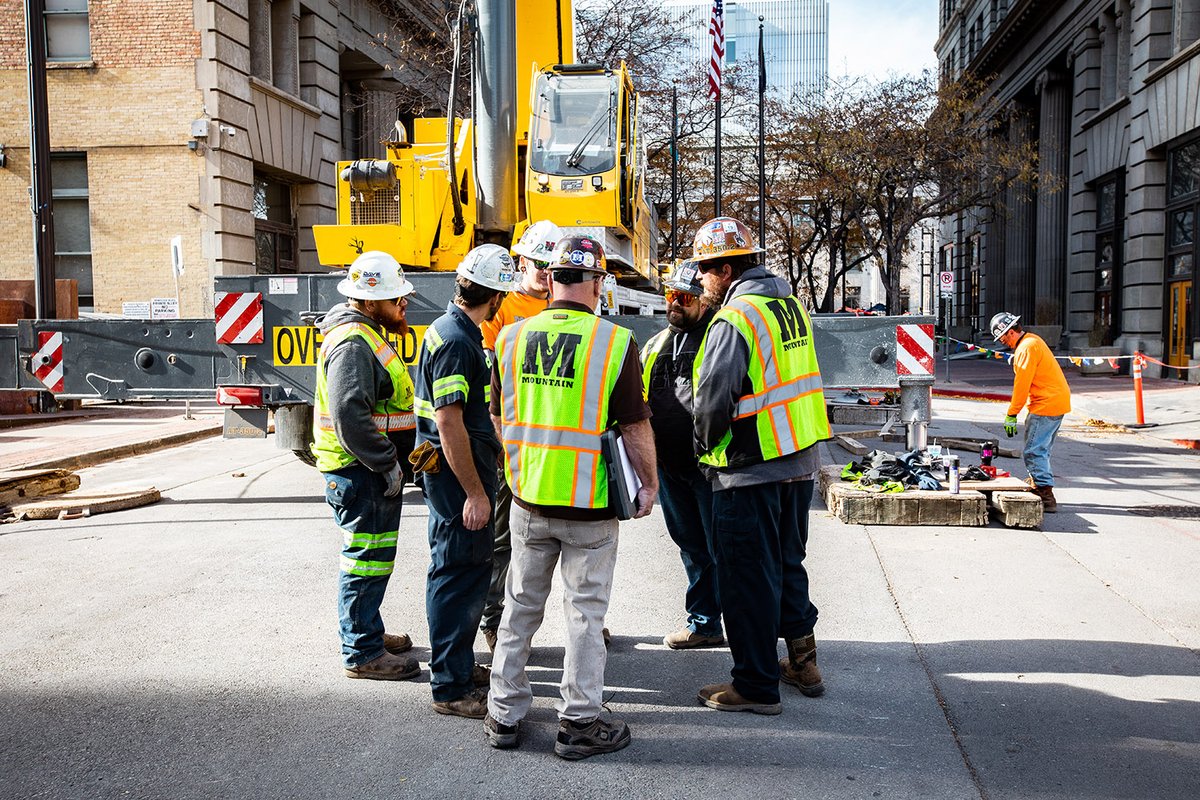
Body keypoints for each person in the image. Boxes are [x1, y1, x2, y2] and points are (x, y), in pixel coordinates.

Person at [484, 235, 658, 760]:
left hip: (529, 497)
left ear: (551, 278)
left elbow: (497, 417)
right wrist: (649, 484)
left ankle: (504, 714)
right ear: (598, 282)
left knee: (518, 607)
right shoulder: (613, 341)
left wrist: (521, 465)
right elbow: (634, 425)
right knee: (585, 613)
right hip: (591, 503)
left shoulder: (510, 338)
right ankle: (579, 721)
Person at [690, 216, 831, 715]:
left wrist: (703, 449)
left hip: (748, 465)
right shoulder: (789, 305)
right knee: (787, 564)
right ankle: (802, 660)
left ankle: (754, 685)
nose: (701, 281)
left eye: (705, 270)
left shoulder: (735, 319)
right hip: (796, 458)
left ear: (726, 270)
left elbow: (712, 399)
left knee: (747, 579)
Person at [414, 244, 518, 718]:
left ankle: (452, 665)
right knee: (458, 575)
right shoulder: (457, 340)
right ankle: (451, 688)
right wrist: (476, 493)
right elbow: (450, 421)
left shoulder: (451, 330)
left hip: (450, 473)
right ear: (495, 296)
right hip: (460, 480)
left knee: (454, 571)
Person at [312, 250, 420, 681]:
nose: (404, 306)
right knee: (366, 560)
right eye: (397, 300)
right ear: (371, 302)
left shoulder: (365, 332)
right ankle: (361, 651)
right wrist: (386, 463)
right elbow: (349, 413)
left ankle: (367, 632)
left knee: (372, 559)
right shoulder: (354, 342)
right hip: (360, 472)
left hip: (362, 470)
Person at [478, 220, 561, 652]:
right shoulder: (502, 311)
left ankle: (579, 622)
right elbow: (495, 386)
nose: (547, 273)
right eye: (539, 264)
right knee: (502, 540)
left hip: (560, 446)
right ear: (521, 261)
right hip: (514, 445)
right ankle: (494, 622)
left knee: (571, 541)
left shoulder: (568, 305)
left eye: (553, 264)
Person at [639, 261, 724, 650]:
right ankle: (704, 623)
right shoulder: (655, 345)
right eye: (671, 295)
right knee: (691, 546)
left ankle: (742, 629)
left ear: (704, 303)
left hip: (712, 468)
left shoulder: (719, 339)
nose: (675, 303)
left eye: (685, 297)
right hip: (670, 467)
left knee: (722, 549)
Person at [991, 311, 1071, 512]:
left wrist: (1012, 413)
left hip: (1045, 404)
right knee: (1042, 449)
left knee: (1034, 452)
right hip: (1056, 401)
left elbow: (1022, 385)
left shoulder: (1026, 348)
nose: (1003, 343)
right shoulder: (1033, 341)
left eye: (1002, 338)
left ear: (1010, 332)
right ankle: (1039, 482)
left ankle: (1045, 494)